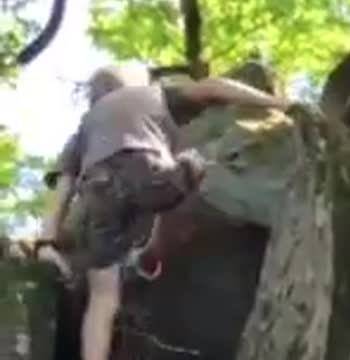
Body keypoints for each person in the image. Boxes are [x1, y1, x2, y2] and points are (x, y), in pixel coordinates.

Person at [39, 63, 291, 360]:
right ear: (135, 83)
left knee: (103, 297)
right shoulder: (152, 95)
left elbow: (64, 188)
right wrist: (277, 103)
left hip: (98, 191)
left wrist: (46, 243)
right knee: (192, 167)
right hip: (149, 172)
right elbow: (213, 87)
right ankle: (152, 252)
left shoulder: (85, 128)